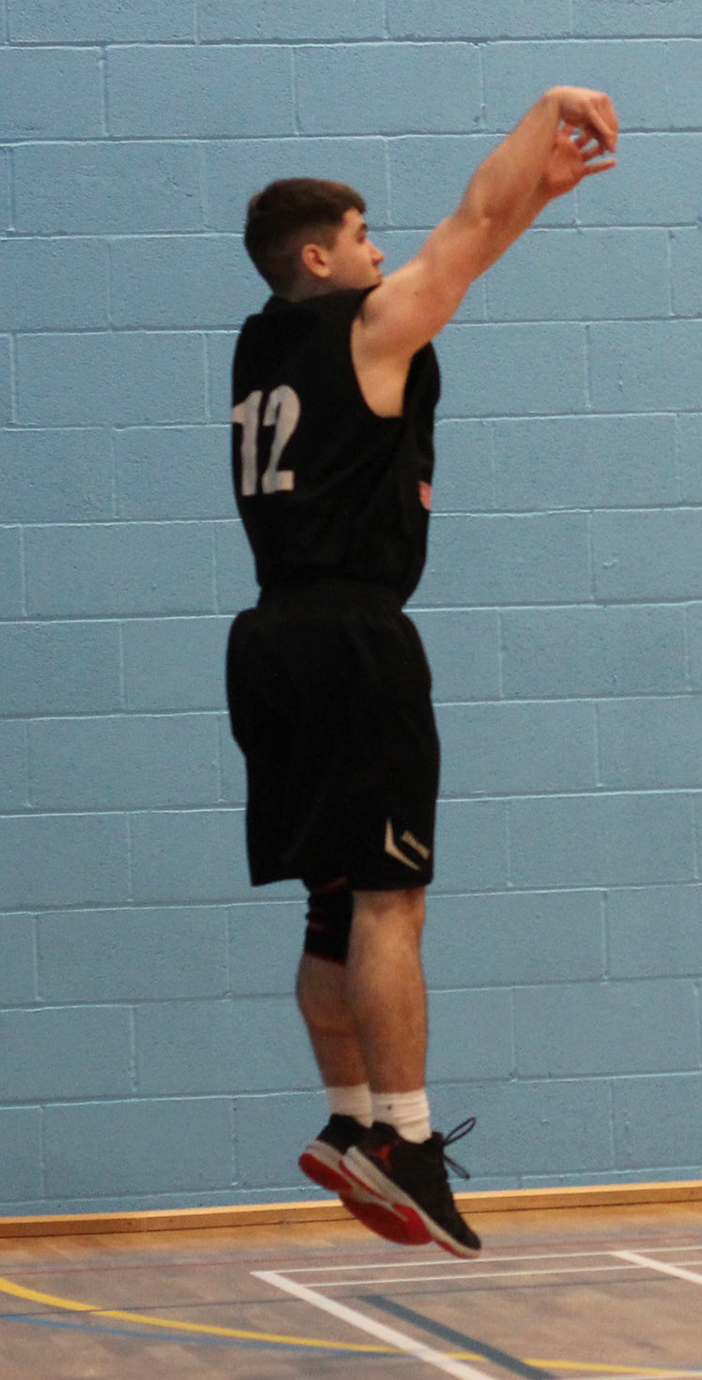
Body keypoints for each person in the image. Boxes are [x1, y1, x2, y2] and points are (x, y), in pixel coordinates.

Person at [226, 88, 618, 1256]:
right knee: (394, 900)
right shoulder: (367, 331)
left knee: (334, 903)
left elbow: (472, 247)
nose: (380, 251)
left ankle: (350, 1119)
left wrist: (535, 196)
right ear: (318, 257)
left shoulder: (262, 342)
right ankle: (403, 1135)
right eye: (362, 236)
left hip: (271, 638)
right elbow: (465, 231)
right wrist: (545, 116)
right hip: (353, 637)